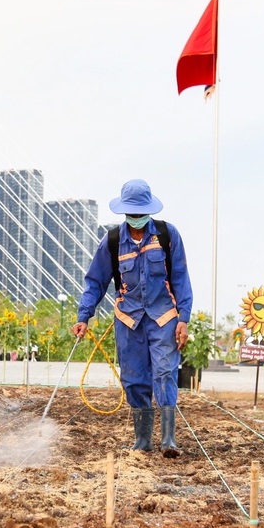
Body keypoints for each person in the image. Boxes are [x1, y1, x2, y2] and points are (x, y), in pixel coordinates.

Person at [72, 179, 192, 457]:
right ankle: (143, 440)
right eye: (132, 214)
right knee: (134, 379)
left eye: (141, 214)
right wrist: (84, 316)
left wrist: (183, 318)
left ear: (149, 211)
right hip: (129, 321)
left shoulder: (166, 235)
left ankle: (169, 440)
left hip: (164, 318)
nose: (136, 219)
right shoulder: (113, 241)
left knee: (164, 372)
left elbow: (181, 278)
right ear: (124, 213)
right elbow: (95, 282)